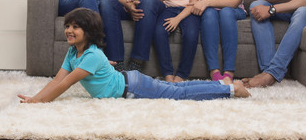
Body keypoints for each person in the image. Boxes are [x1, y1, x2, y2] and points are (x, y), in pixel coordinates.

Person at [18, 8, 250, 103]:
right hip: (131, 81)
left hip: (134, 87)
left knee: (182, 93)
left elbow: (65, 84)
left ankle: (231, 89)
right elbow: (57, 79)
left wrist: (36, 103)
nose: (69, 30)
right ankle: (227, 87)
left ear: (88, 33)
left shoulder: (92, 55)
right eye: (67, 25)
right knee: (179, 90)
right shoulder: (72, 52)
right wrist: (34, 97)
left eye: (75, 27)